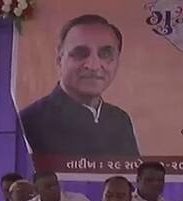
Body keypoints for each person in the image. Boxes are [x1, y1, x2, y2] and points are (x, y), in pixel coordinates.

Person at [19, 14, 139, 159]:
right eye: (80, 53)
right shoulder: (29, 122)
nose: (93, 66)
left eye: (106, 53)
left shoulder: (120, 120)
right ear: (59, 60)